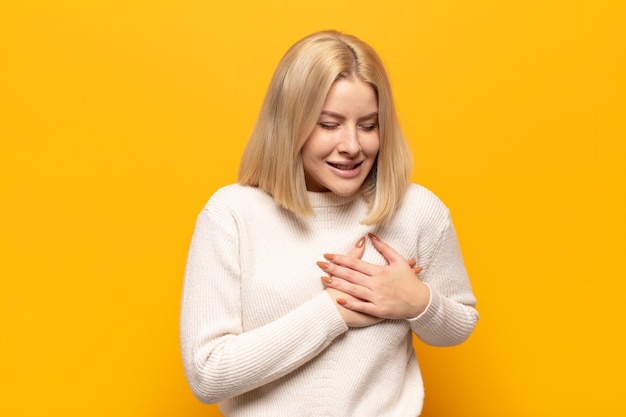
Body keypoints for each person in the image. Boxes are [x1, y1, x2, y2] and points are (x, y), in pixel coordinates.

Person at [180, 30, 478, 417]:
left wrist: (417, 302)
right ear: (290, 125)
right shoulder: (232, 215)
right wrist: (335, 309)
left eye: (368, 125)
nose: (352, 145)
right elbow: (208, 375)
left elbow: (460, 324)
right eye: (328, 124)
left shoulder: (417, 210)